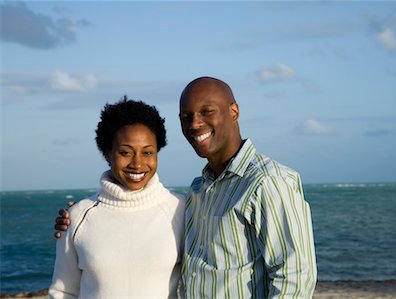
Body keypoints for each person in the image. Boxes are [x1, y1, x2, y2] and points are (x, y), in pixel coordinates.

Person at [55, 77, 317, 298]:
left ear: (234, 112)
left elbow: (295, 275)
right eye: (186, 117)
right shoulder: (197, 192)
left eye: (207, 112)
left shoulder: (267, 181)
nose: (194, 124)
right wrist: (78, 216)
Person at [49, 97, 185, 299]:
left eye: (148, 152)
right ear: (107, 153)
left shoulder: (181, 210)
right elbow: (63, 291)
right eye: (125, 152)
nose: (137, 164)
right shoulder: (77, 217)